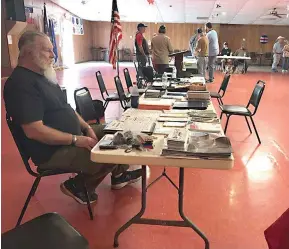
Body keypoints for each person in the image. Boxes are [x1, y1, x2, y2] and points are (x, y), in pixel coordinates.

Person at [4, 31, 142, 205]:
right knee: (111, 152)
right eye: (47, 50)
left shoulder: (44, 76)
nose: (53, 55)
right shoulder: (20, 84)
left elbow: (67, 109)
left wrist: (87, 128)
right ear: (28, 52)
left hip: (71, 138)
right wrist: (76, 139)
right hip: (52, 152)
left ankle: (119, 175)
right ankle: (79, 186)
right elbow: (34, 131)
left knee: (117, 132)